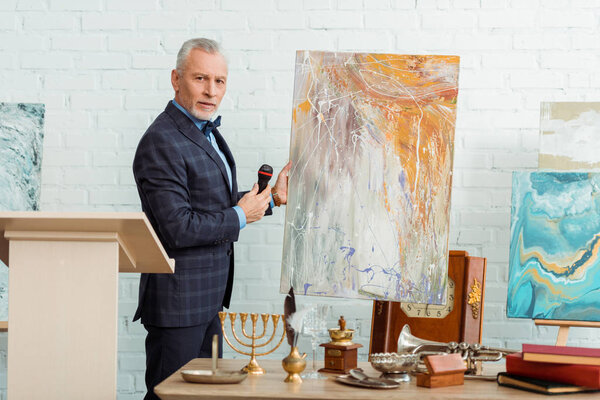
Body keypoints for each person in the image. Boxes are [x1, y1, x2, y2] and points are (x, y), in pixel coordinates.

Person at [132, 38, 291, 400]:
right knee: (168, 397)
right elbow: (178, 226)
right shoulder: (162, 140)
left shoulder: (205, 131)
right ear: (176, 79)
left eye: (219, 81)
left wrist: (271, 199)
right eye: (200, 78)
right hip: (177, 305)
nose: (211, 91)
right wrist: (240, 215)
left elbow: (209, 204)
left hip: (207, 300)